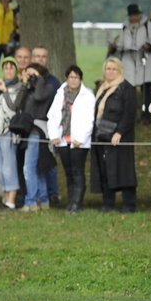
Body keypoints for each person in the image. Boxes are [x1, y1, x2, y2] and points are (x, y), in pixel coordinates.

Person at [91, 57, 139, 212]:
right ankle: (108, 203)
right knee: (105, 169)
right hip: (102, 134)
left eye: (114, 69)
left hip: (120, 136)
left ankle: (129, 204)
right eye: (108, 69)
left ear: (120, 70)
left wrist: (119, 132)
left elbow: (130, 114)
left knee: (124, 170)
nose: (110, 72)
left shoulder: (126, 89)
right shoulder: (102, 88)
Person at [47, 66, 95, 213]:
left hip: (79, 141)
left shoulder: (87, 96)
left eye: (76, 77)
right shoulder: (60, 94)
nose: (73, 80)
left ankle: (77, 202)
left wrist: (81, 138)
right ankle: (70, 201)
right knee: (68, 171)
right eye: (71, 77)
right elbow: (53, 116)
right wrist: (53, 135)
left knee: (77, 171)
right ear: (66, 78)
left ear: (80, 79)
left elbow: (89, 120)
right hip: (62, 139)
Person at [109, 3, 151, 123]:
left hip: (144, 61)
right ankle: (130, 115)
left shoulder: (148, 25)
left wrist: (148, 46)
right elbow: (121, 44)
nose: (133, 18)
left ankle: (146, 116)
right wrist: (114, 47)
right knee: (128, 91)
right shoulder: (125, 27)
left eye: (135, 15)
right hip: (129, 62)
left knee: (146, 92)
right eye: (131, 15)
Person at [0, 57, 25, 210]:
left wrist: (5, 91)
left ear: (16, 70)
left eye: (11, 68)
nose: (8, 71)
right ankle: (5, 196)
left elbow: (13, 106)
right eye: (5, 68)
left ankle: (11, 200)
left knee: (9, 165)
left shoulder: (19, 87)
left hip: (8, 130)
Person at [20, 62, 55, 211]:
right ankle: (43, 199)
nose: (30, 76)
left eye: (32, 73)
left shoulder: (48, 87)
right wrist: (25, 84)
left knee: (29, 168)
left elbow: (40, 97)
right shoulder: (29, 89)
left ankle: (31, 201)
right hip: (29, 131)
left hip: (39, 131)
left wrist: (38, 80)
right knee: (36, 167)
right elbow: (19, 105)